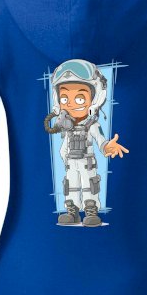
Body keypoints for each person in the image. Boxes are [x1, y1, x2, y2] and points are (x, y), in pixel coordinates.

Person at [44, 59, 129, 226]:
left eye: (80, 99)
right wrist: (65, 159)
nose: (70, 104)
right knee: (71, 185)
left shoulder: (92, 125)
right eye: (64, 98)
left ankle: (91, 211)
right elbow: (63, 149)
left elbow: (100, 140)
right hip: (71, 163)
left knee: (90, 185)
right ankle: (72, 211)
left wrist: (107, 147)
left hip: (87, 162)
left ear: (95, 99)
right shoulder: (67, 128)